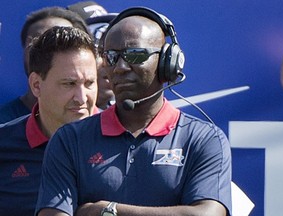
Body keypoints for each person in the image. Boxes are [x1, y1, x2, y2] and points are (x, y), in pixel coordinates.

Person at [36, 7, 232, 216]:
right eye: (111, 56)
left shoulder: (204, 139)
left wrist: (106, 211)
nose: (120, 67)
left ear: (167, 62)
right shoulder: (69, 139)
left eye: (135, 55)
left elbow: (207, 214)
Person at [0, 26, 98, 215]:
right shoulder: (4, 144)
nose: (82, 97)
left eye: (89, 83)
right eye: (69, 84)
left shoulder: (124, 140)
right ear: (36, 85)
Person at [0, 6, 92, 123]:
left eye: (64, 44)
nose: (81, 98)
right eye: (36, 43)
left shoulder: (100, 125)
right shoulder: (4, 127)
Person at [68, 1, 116, 110]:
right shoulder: (38, 119)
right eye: (97, 51)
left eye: (111, 51)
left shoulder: (130, 116)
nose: (107, 61)